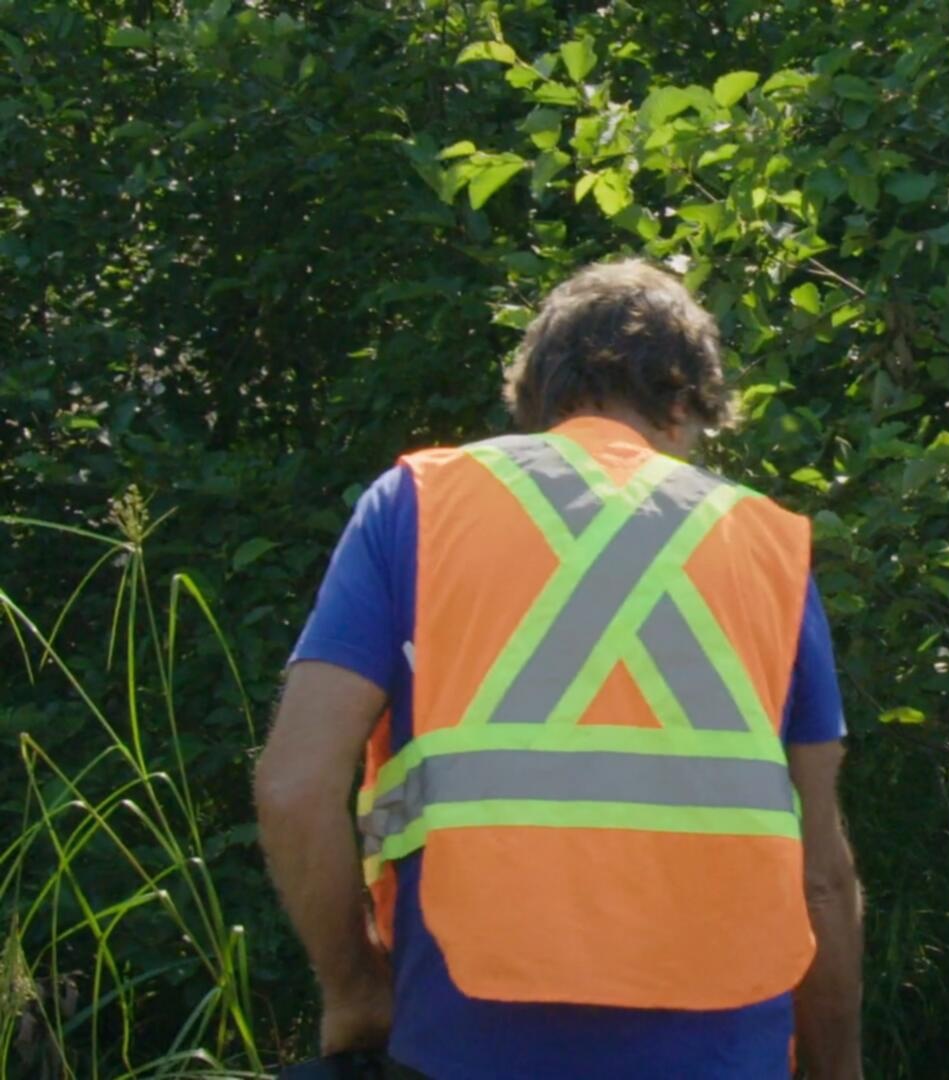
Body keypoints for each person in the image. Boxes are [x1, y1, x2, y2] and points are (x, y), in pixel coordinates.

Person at [255, 259, 863, 1079]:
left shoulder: (417, 505)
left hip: (461, 1047)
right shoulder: (769, 546)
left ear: (537, 399)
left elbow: (294, 785)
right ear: (685, 404)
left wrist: (357, 991)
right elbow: (821, 880)